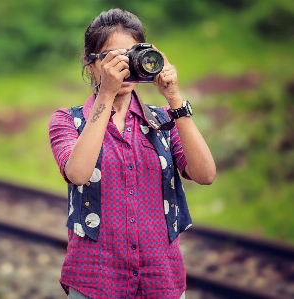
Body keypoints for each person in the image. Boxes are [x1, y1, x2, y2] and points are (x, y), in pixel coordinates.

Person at [48, 8, 216, 299]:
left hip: (160, 279)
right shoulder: (66, 121)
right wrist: (106, 94)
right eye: (114, 58)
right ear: (91, 64)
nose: (125, 66)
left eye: (132, 55)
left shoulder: (164, 120)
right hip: (95, 279)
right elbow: (78, 173)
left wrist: (174, 98)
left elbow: (205, 174)